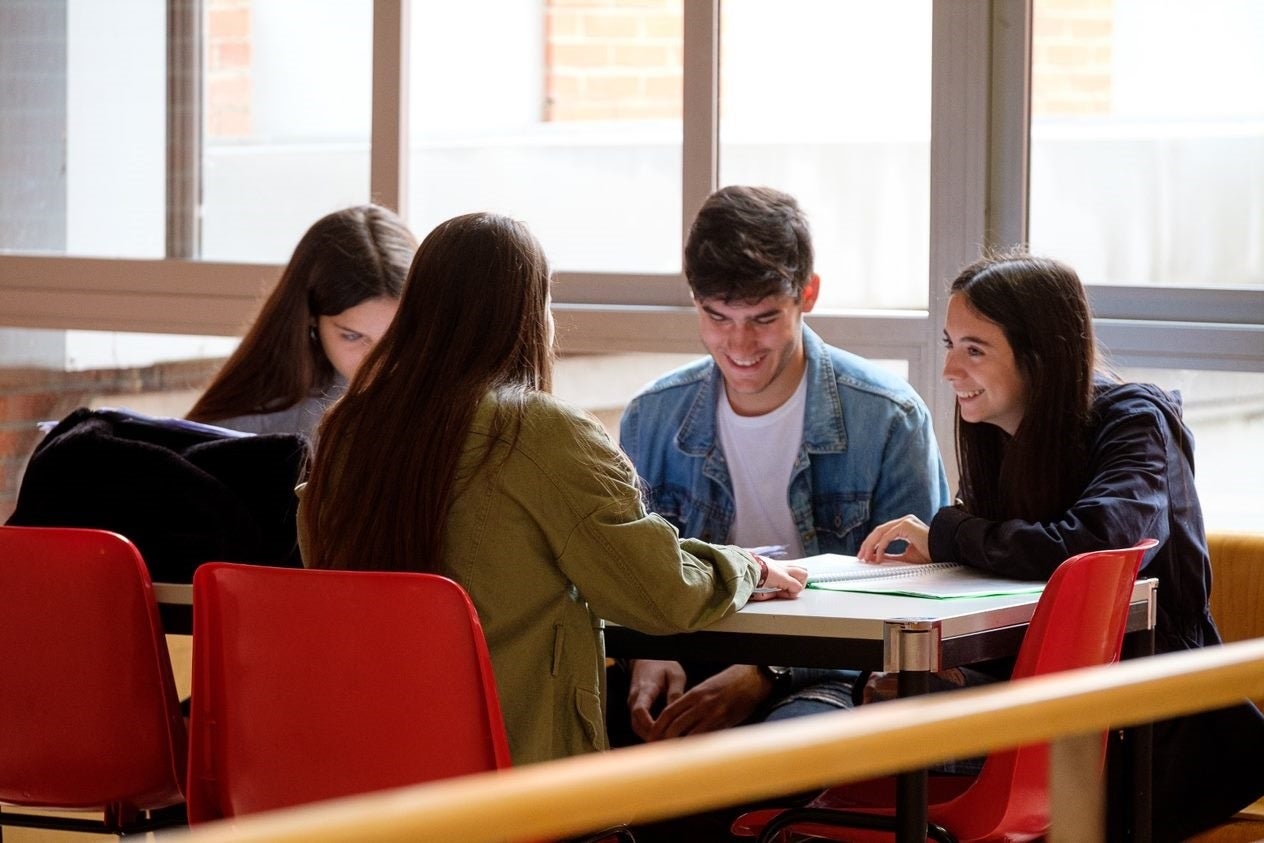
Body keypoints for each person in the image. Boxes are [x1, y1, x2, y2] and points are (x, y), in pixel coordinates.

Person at [296, 211, 808, 767]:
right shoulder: (537, 431)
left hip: (373, 766)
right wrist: (746, 567)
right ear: (531, 312)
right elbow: (658, 593)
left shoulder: (348, 428)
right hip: (516, 769)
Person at [856, 250, 1264, 842]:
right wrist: (957, 676)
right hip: (1052, 707)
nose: (947, 370)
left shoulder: (1134, 419)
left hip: (1147, 729)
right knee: (854, 719)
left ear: (1041, 356)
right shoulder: (1001, 440)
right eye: (949, 343)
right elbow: (1018, 597)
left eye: (974, 349)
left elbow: (1094, 547)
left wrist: (948, 533)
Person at [615, 185, 950, 744]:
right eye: (717, 317)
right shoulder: (653, 417)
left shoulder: (889, 417)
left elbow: (914, 602)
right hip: (689, 658)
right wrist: (647, 651)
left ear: (808, 294)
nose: (739, 343)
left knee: (785, 752)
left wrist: (767, 672)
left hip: (830, 675)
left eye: (764, 318)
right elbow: (627, 575)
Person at [186, 204, 418, 437]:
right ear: (310, 318)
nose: (378, 360)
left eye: (395, 336)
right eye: (352, 336)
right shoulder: (250, 424)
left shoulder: (448, 402)